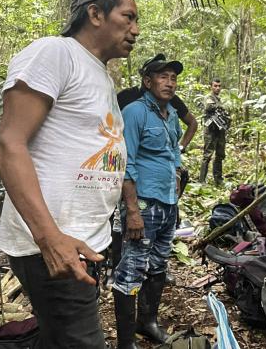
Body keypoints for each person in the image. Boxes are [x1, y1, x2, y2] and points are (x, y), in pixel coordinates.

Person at [0, 0, 138, 348]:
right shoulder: (55, 53)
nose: (136, 29)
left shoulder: (99, 74)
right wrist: (49, 238)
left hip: (80, 243)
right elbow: (10, 144)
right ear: (95, 13)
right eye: (128, 17)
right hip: (54, 246)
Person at [112, 57, 184, 348]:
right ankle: (126, 341)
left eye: (174, 78)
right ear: (148, 81)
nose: (170, 83)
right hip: (142, 204)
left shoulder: (172, 115)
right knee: (131, 270)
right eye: (163, 77)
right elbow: (125, 162)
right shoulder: (134, 112)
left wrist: (178, 174)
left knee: (158, 266)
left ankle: (148, 322)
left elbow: (173, 152)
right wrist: (132, 211)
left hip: (167, 204)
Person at [199, 78, 229, 185]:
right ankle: (202, 180)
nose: (217, 88)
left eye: (219, 86)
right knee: (207, 155)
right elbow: (208, 106)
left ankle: (218, 179)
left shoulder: (219, 99)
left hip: (219, 130)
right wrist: (220, 107)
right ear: (211, 86)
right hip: (211, 130)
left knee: (220, 155)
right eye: (215, 86)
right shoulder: (209, 97)